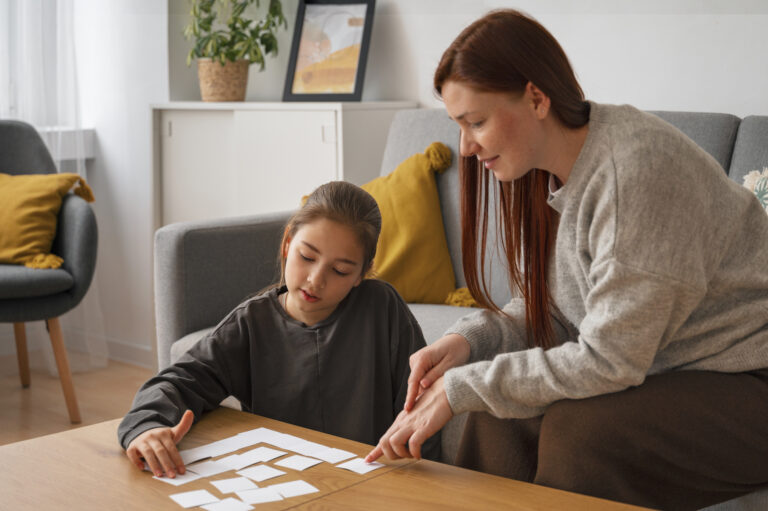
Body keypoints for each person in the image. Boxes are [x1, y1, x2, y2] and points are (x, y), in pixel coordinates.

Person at [365, 9, 768, 510]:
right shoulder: (551, 168)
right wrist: (467, 342)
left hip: (750, 378)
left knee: (578, 434)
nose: (465, 148)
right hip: (672, 368)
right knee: (497, 415)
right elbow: (554, 307)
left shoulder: (635, 177)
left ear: (536, 98)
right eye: (459, 126)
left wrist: (458, 389)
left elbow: (610, 359)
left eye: (477, 122)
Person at [119, 181, 439, 479]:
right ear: (287, 243)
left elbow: (422, 402)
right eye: (307, 256)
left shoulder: (381, 307)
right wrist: (147, 427)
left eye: (340, 270)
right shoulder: (250, 324)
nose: (315, 279)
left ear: (361, 274)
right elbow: (178, 381)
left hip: (376, 482)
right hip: (282, 484)